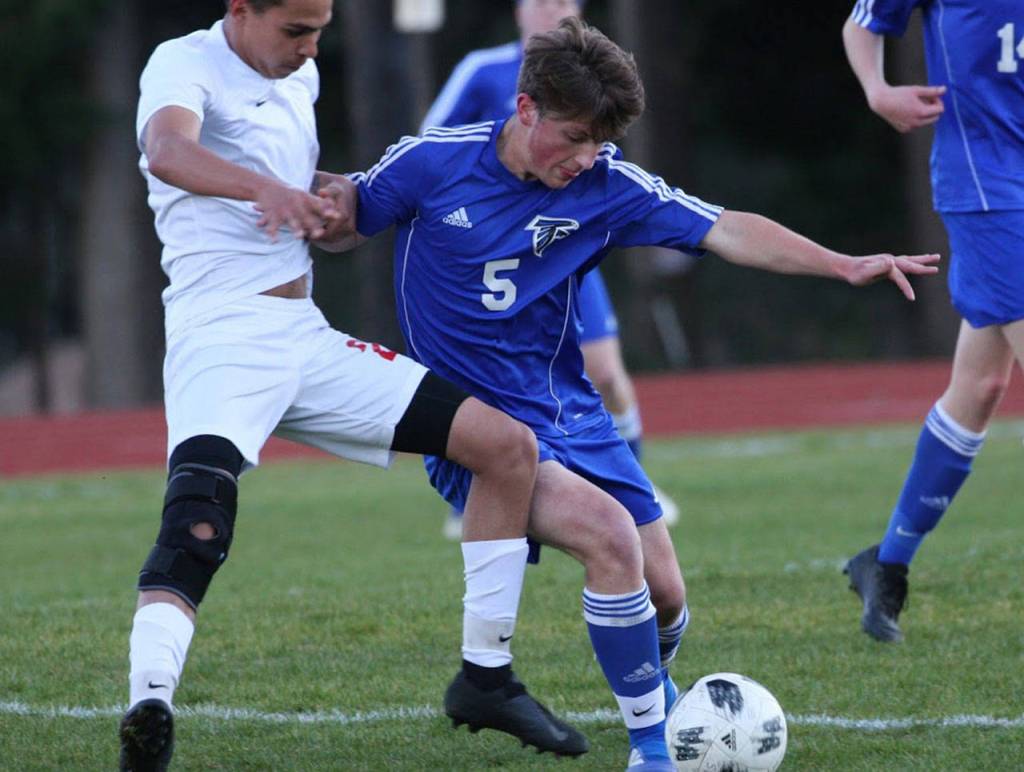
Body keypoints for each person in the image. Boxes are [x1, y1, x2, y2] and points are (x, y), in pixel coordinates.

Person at [328, 18, 938, 770]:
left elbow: (726, 229)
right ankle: (653, 749)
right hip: (475, 429)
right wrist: (305, 208)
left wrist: (842, 265)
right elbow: (348, 217)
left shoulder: (606, 184)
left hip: (571, 414)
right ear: (526, 110)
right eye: (576, 137)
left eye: (599, 142)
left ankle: (653, 693)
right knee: (609, 538)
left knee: (668, 596)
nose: (587, 158)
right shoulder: (433, 164)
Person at [118, 1, 587, 769]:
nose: (309, 50)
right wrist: (262, 190)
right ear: (241, 9)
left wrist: (328, 201)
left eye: (321, 31)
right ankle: (149, 705)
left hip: (306, 336)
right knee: (199, 523)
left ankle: (486, 678)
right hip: (221, 338)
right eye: (295, 31)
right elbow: (168, 151)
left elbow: (304, 196)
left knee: (505, 447)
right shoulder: (183, 61)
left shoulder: (297, 77)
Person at [421, 0, 679, 541]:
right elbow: (431, 142)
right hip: (494, 256)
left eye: (563, 1)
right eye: (542, 1)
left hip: (563, 249)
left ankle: (632, 483)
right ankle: (481, 484)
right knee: (486, 380)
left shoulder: (594, 82)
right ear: (517, 12)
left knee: (606, 372)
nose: (552, 10)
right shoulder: (483, 69)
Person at [841, 0, 1024, 643]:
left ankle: (885, 564)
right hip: (990, 186)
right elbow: (864, 21)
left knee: (979, 389)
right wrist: (877, 90)